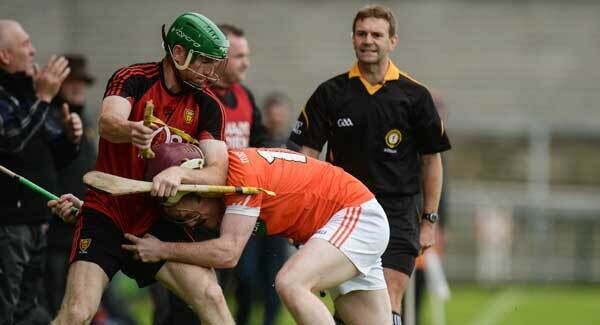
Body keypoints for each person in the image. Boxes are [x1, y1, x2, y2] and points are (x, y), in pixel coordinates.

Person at [51, 12, 236, 325]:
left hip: (158, 217)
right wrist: (130, 130)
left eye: (216, 63)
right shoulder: (133, 78)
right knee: (77, 313)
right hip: (107, 211)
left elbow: (218, 170)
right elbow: (109, 122)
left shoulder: (208, 106)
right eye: (205, 62)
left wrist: (180, 174)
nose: (212, 73)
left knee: (212, 297)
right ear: (179, 53)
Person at [287, 5, 451, 324]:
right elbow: (306, 156)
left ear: (393, 41)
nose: (368, 40)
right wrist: (302, 213)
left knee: (388, 297)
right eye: (362, 34)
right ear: (352, 39)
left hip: (398, 211)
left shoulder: (415, 96)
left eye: (377, 34)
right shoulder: (330, 93)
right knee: (351, 305)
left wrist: (429, 220)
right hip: (345, 211)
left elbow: (432, 161)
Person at [108, 145, 393, 325]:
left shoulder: (239, 179)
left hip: (353, 213)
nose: (195, 223)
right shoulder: (226, 175)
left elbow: (227, 253)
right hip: (341, 224)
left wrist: (163, 250)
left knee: (291, 282)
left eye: (189, 214)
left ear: (198, 190)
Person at [0, 20, 81, 324]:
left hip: (38, 219)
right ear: (4, 56)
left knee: (28, 307)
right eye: (25, 44)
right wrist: (44, 97)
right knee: (6, 305)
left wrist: (68, 139)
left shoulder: (27, 92)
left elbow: (47, 155)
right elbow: (11, 141)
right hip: (9, 224)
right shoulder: (12, 95)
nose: (33, 50)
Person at [43, 54, 135, 324]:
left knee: (97, 305)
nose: (78, 87)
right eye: (71, 81)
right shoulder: (50, 121)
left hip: (90, 225)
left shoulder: (89, 125)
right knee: (60, 303)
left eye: (82, 82)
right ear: (58, 84)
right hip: (56, 232)